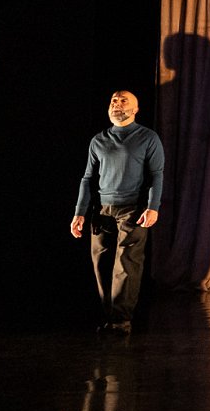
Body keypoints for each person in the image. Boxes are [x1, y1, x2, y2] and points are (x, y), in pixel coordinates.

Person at [70, 90, 166, 333]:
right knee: (101, 263)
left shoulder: (147, 137)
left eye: (124, 101)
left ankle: (121, 320)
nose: (117, 104)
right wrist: (80, 212)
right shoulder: (99, 140)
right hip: (102, 209)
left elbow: (156, 174)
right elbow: (87, 178)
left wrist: (153, 207)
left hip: (132, 209)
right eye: (114, 100)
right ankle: (109, 316)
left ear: (135, 109)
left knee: (126, 263)